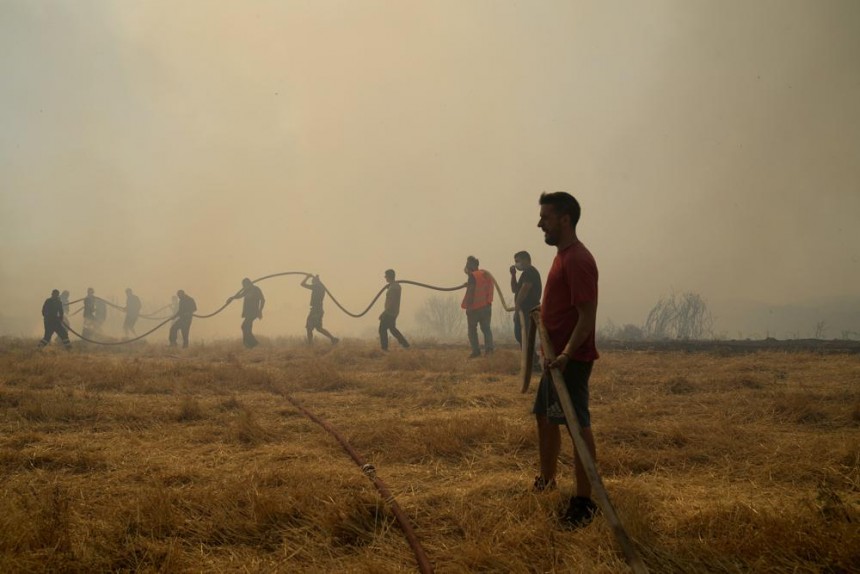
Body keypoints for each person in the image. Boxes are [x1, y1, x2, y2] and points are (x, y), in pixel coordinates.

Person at [533, 191, 600, 529]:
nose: (539, 223)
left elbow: (587, 317)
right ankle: (546, 482)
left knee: (577, 426)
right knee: (545, 417)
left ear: (565, 219)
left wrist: (566, 354)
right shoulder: (562, 256)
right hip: (554, 359)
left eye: (545, 217)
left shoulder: (578, 260)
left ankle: (585, 502)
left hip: (569, 360)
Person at [511, 251, 542, 369]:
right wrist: (513, 275)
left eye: (518, 261)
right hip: (523, 310)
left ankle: (533, 363)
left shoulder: (530, 272)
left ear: (526, 260)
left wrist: (517, 308)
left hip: (528, 310)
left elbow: (525, 289)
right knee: (520, 335)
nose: (516, 264)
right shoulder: (524, 274)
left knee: (525, 336)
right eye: (515, 261)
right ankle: (530, 361)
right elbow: (515, 290)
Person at [461, 255, 494, 358]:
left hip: (475, 308)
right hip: (486, 306)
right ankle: (489, 350)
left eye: (467, 264)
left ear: (471, 265)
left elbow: (471, 292)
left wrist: (469, 307)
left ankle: (476, 351)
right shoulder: (485, 274)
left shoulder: (473, 276)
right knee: (486, 329)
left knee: (472, 330)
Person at [301, 275, 339, 345]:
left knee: (309, 328)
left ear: (316, 281)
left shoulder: (316, 287)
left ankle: (310, 345)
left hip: (315, 310)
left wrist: (307, 277)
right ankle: (333, 339)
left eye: (313, 281)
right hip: (319, 310)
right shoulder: (321, 287)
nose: (312, 282)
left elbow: (302, 284)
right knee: (319, 328)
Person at [378, 269, 410, 351]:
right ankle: (405, 344)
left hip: (390, 312)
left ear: (389, 276)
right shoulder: (395, 286)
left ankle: (384, 349)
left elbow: (391, 302)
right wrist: (390, 286)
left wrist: (384, 313)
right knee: (392, 329)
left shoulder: (394, 287)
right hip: (393, 312)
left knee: (382, 329)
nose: (385, 277)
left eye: (386, 276)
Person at [232, 278, 265, 348]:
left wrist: (260, 310)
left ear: (248, 283)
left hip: (253, 312)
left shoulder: (256, 290)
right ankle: (249, 344)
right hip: (247, 312)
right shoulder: (246, 290)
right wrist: (232, 298)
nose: (243, 287)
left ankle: (252, 343)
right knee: (246, 327)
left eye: (244, 285)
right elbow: (240, 296)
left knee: (244, 326)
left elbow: (263, 300)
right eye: (243, 285)